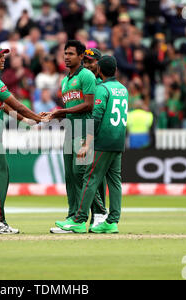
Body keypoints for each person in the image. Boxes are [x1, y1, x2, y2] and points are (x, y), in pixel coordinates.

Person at [0, 43, 45, 234]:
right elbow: (16, 104)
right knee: (1, 177)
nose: (3, 59)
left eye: (4, 55)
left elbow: (1, 106)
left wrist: (23, 121)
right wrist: (38, 118)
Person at [55, 55, 126, 233]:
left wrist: (87, 143)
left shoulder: (102, 89)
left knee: (89, 178)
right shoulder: (123, 89)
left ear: (100, 70)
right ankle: (112, 221)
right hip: (118, 140)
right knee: (115, 181)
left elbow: (96, 117)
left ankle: (79, 220)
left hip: (104, 140)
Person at [43, 40, 99, 233]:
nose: (66, 57)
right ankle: (72, 215)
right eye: (65, 53)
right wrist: (53, 115)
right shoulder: (65, 80)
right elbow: (69, 109)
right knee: (70, 175)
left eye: (71, 54)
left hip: (84, 128)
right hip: (70, 129)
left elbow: (88, 105)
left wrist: (61, 111)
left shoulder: (86, 75)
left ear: (81, 56)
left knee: (80, 173)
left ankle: (87, 217)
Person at [82, 47, 108, 227]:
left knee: (94, 177)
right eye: (85, 62)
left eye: (91, 62)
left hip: (98, 135)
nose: (87, 65)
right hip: (86, 132)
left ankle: (100, 214)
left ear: (99, 63)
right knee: (91, 177)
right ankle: (97, 215)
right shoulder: (84, 80)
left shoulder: (102, 84)